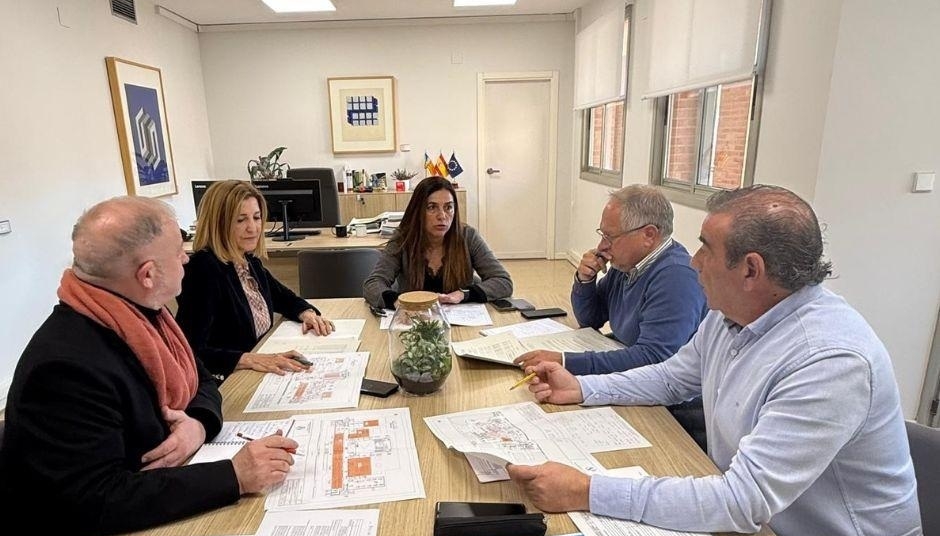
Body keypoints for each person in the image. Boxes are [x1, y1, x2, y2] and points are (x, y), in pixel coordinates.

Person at [506, 185, 922, 536]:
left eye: (706, 248)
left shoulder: (830, 360)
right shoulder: (734, 314)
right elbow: (671, 378)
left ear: (750, 270)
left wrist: (586, 490)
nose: (693, 260)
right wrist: (581, 387)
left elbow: (741, 501)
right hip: (766, 523)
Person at [0, 197, 299, 536]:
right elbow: (97, 500)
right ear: (147, 273)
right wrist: (234, 475)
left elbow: (202, 379)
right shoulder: (64, 366)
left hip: (159, 502)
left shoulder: (143, 314)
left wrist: (198, 424)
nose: (187, 260)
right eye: (179, 252)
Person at [514, 185, 707, 375]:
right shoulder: (627, 264)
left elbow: (654, 358)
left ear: (649, 235)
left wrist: (565, 361)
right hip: (629, 371)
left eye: (610, 236)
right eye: (602, 235)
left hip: (668, 400)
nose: (601, 246)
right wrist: (585, 280)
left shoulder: (676, 277)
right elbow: (591, 319)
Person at [175, 179, 334, 378]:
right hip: (227, 381)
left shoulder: (247, 260)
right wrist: (251, 359)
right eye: (241, 220)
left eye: (257, 217)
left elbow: (282, 297)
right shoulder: (202, 270)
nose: (253, 228)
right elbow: (190, 351)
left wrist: (307, 313)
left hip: (256, 372)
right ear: (218, 223)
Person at [363, 176, 512, 309]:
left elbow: (503, 281)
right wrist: (397, 302)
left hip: (462, 322)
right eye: (431, 207)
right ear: (418, 211)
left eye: (448, 207)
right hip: (414, 323)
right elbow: (373, 284)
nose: (442, 216)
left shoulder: (468, 236)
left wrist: (463, 294)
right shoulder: (403, 239)